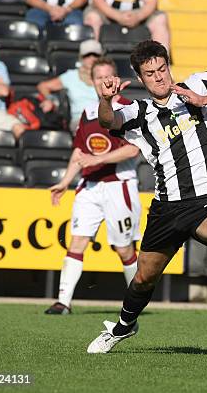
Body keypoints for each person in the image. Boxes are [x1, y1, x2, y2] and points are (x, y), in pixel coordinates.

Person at [86, 40, 207, 354]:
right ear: (140, 78)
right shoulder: (138, 112)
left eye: (162, 69)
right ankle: (123, 327)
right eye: (150, 73)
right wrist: (104, 99)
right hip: (167, 208)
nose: (159, 77)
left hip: (206, 200)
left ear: (169, 66)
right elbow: (109, 121)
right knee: (144, 278)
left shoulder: (196, 86)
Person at [45, 56, 141, 315]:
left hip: (118, 186)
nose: (103, 81)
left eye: (108, 76)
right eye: (98, 77)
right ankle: (62, 302)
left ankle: (137, 300)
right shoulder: (88, 112)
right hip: (89, 186)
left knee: (124, 249)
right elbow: (79, 151)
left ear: (116, 79)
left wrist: (95, 159)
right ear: (93, 81)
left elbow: (132, 151)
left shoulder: (129, 108)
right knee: (77, 242)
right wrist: (65, 182)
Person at [37, 39, 103, 132]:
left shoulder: (106, 76)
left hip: (101, 120)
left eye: (95, 55)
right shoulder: (71, 76)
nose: (92, 58)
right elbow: (43, 86)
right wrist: (51, 100)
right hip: (79, 120)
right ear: (81, 57)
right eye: (87, 55)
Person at [83, 0, 170, 51]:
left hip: (137, 12)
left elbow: (151, 1)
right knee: (92, 18)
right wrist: (118, 16)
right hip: (107, 11)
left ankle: (162, 65)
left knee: (160, 19)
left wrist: (138, 16)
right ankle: (92, 62)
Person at [24, 0, 88, 32]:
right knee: (33, 26)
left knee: (75, 26)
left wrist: (67, 9)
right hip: (42, 9)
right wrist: (50, 9)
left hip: (71, 10)